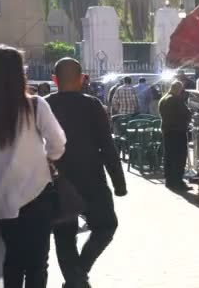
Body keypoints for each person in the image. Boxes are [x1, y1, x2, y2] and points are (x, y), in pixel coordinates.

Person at [0, 45, 67, 288]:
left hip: (1, 200)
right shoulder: (35, 105)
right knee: (37, 263)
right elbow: (58, 143)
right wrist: (46, 158)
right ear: (19, 74)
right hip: (37, 194)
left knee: (13, 259)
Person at [46, 58, 127, 288]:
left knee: (64, 235)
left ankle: (76, 277)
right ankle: (78, 276)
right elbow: (108, 147)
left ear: (54, 80)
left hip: (57, 181)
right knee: (106, 226)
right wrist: (119, 183)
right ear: (81, 79)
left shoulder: (44, 106)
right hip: (92, 179)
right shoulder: (93, 106)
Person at [159, 81, 192, 191]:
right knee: (180, 157)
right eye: (180, 90)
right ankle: (178, 181)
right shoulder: (175, 100)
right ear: (178, 89)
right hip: (177, 131)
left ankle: (169, 181)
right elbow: (186, 113)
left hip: (167, 130)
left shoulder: (163, 99)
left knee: (169, 157)